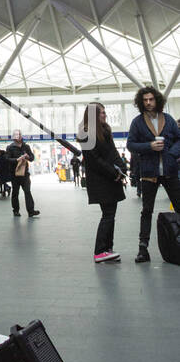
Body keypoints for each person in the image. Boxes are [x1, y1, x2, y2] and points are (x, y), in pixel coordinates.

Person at [126, 85, 180, 265]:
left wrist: (172, 154)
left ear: (157, 100)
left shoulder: (169, 119)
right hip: (149, 172)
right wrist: (149, 146)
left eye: (151, 99)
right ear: (141, 102)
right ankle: (143, 249)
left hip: (170, 171)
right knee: (146, 211)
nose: (148, 103)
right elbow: (131, 145)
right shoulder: (137, 122)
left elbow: (179, 139)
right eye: (145, 100)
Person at [77, 102, 127, 262]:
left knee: (110, 214)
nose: (105, 115)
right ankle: (100, 251)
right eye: (101, 113)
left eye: (104, 112)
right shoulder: (86, 134)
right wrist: (114, 172)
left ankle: (107, 249)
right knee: (108, 214)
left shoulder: (105, 130)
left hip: (111, 179)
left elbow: (113, 152)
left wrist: (122, 167)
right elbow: (94, 161)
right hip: (100, 180)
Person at [5, 130, 39, 217]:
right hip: (15, 174)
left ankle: (31, 211)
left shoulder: (26, 146)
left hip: (25, 173)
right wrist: (17, 159)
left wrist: (28, 157)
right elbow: (7, 159)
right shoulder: (10, 147)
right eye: (17, 135)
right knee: (15, 192)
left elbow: (32, 158)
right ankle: (16, 210)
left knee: (27, 191)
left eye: (19, 135)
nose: (19, 137)